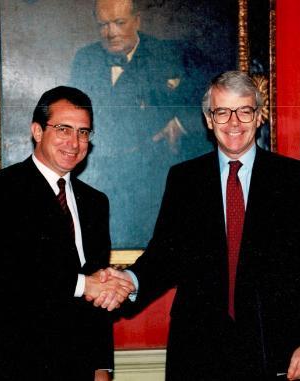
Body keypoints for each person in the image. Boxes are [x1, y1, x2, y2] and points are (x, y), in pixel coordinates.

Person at [97, 71, 300, 380]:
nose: (233, 122)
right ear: (209, 120)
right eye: (222, 112)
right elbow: (164, 256)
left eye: (244, 111)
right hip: (200, 354)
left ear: (259, 116)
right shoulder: (185, 180)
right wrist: (129, 280)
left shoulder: (294, 180)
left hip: (276, 352)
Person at [0, 86, 134, 381]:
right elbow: (7, 274)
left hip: (75, 367)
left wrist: (102, 367)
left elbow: (97, 287)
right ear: (37, 131)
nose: (74, 143)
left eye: (83, 132)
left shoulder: (95, 202)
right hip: (8, 365)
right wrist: (82, 285)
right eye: (64, 129)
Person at [70, 0, 215, 248]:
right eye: (103, 24)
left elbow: (216, 98)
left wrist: (181, 124)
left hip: (157, 177)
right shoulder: (85, 60)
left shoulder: (171, 54)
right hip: (105, 178)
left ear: (137, 20)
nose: (111, 32)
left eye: (119, 22)